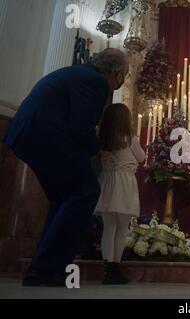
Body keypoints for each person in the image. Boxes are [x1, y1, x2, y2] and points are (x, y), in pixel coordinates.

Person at [3, 48, 129, 286]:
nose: (123, 81)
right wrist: (98, 149)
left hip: (31, 133)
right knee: (85, 191)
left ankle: (43, 268)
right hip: (45, 134)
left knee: (64, 198)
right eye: (125, 74)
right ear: (116, 72)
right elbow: (81, 127)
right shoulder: (95, 82)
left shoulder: (80, 74)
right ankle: (46, 269)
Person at [95, 103, 145, 285]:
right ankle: (115, 266)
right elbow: (142, 157)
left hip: (106, 182)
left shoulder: (102, 139)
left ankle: (108, 268)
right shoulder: (130, 140)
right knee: (122, 227)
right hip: (124, 183)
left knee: (109, 227)